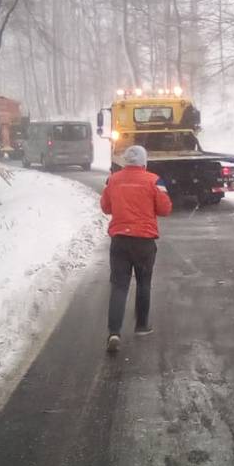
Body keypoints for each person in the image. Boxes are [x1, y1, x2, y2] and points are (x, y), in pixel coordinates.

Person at [100, 145, 172, 354]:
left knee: (119, 286)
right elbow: (165, 209)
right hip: (144, 241)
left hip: (120, 239)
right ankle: (141, 325)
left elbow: (105, 207)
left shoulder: (113, 180)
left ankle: (114, 332)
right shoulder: (154, 181)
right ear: (144, 162)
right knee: (143, 282)